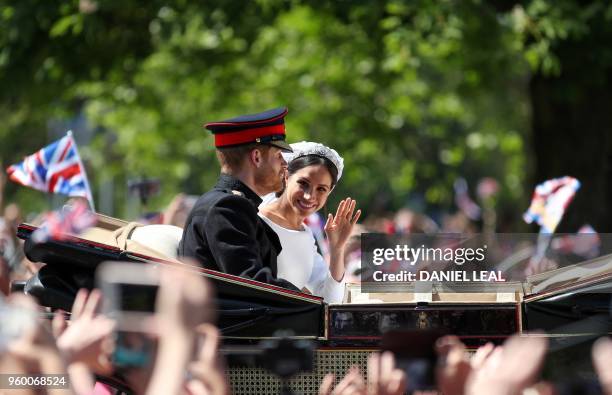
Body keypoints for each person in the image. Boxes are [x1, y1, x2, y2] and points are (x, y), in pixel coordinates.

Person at [179, 107, 299, 290]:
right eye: (278, 155)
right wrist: (313, 302)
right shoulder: (227, 208)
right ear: (257, 157)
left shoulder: (226, 203)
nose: (284, 164)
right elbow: (252, 284)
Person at [259, 142, 361, 302]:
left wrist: (337, 249)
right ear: (286, 175)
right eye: (303, 184)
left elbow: (330, 300)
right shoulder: (257, 221)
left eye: (321, 189)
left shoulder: (306, 235)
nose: (309, 196)